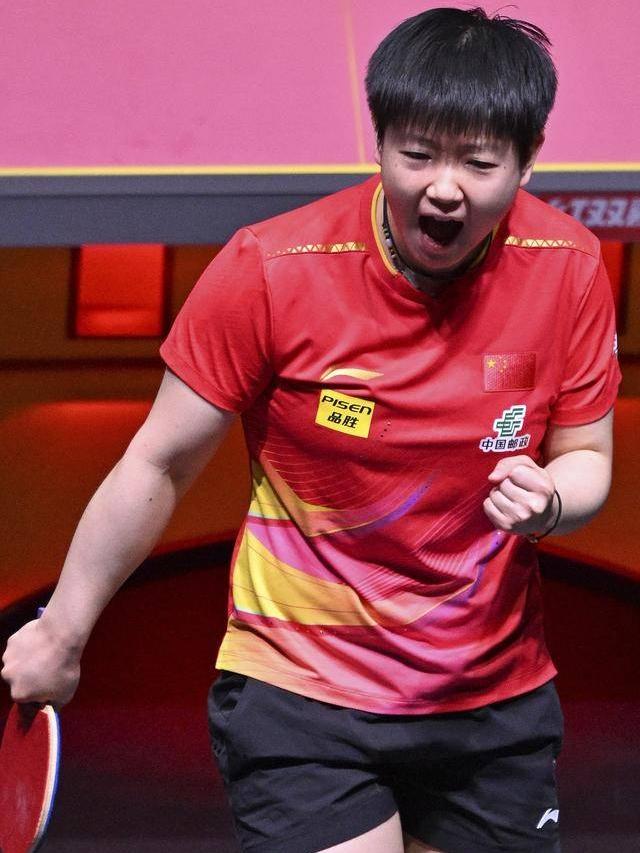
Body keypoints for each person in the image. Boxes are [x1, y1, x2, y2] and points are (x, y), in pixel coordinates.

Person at [2, 7, 620, 853]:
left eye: (479, 163)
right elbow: (160, 463)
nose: (444, 188)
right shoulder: (272, 269)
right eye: (417, 155)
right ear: (380, 141)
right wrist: (62, 631)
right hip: (301, 687)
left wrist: (550, 501)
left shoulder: (569, 268)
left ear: (527, 157)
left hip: (489, 692)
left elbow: (586, 456)